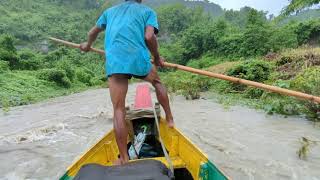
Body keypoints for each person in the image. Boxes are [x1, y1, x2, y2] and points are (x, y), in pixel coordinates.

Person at [80, 0, 174, 165]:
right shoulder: (147, 12)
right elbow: (149, 36)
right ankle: (170, 119)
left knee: (118, 109)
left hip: (116, 62)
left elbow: (92, 33)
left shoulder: (109, 12)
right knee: (158, 83)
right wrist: (157, 57)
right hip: (138, 58)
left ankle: (123, 157)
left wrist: (87, 45)